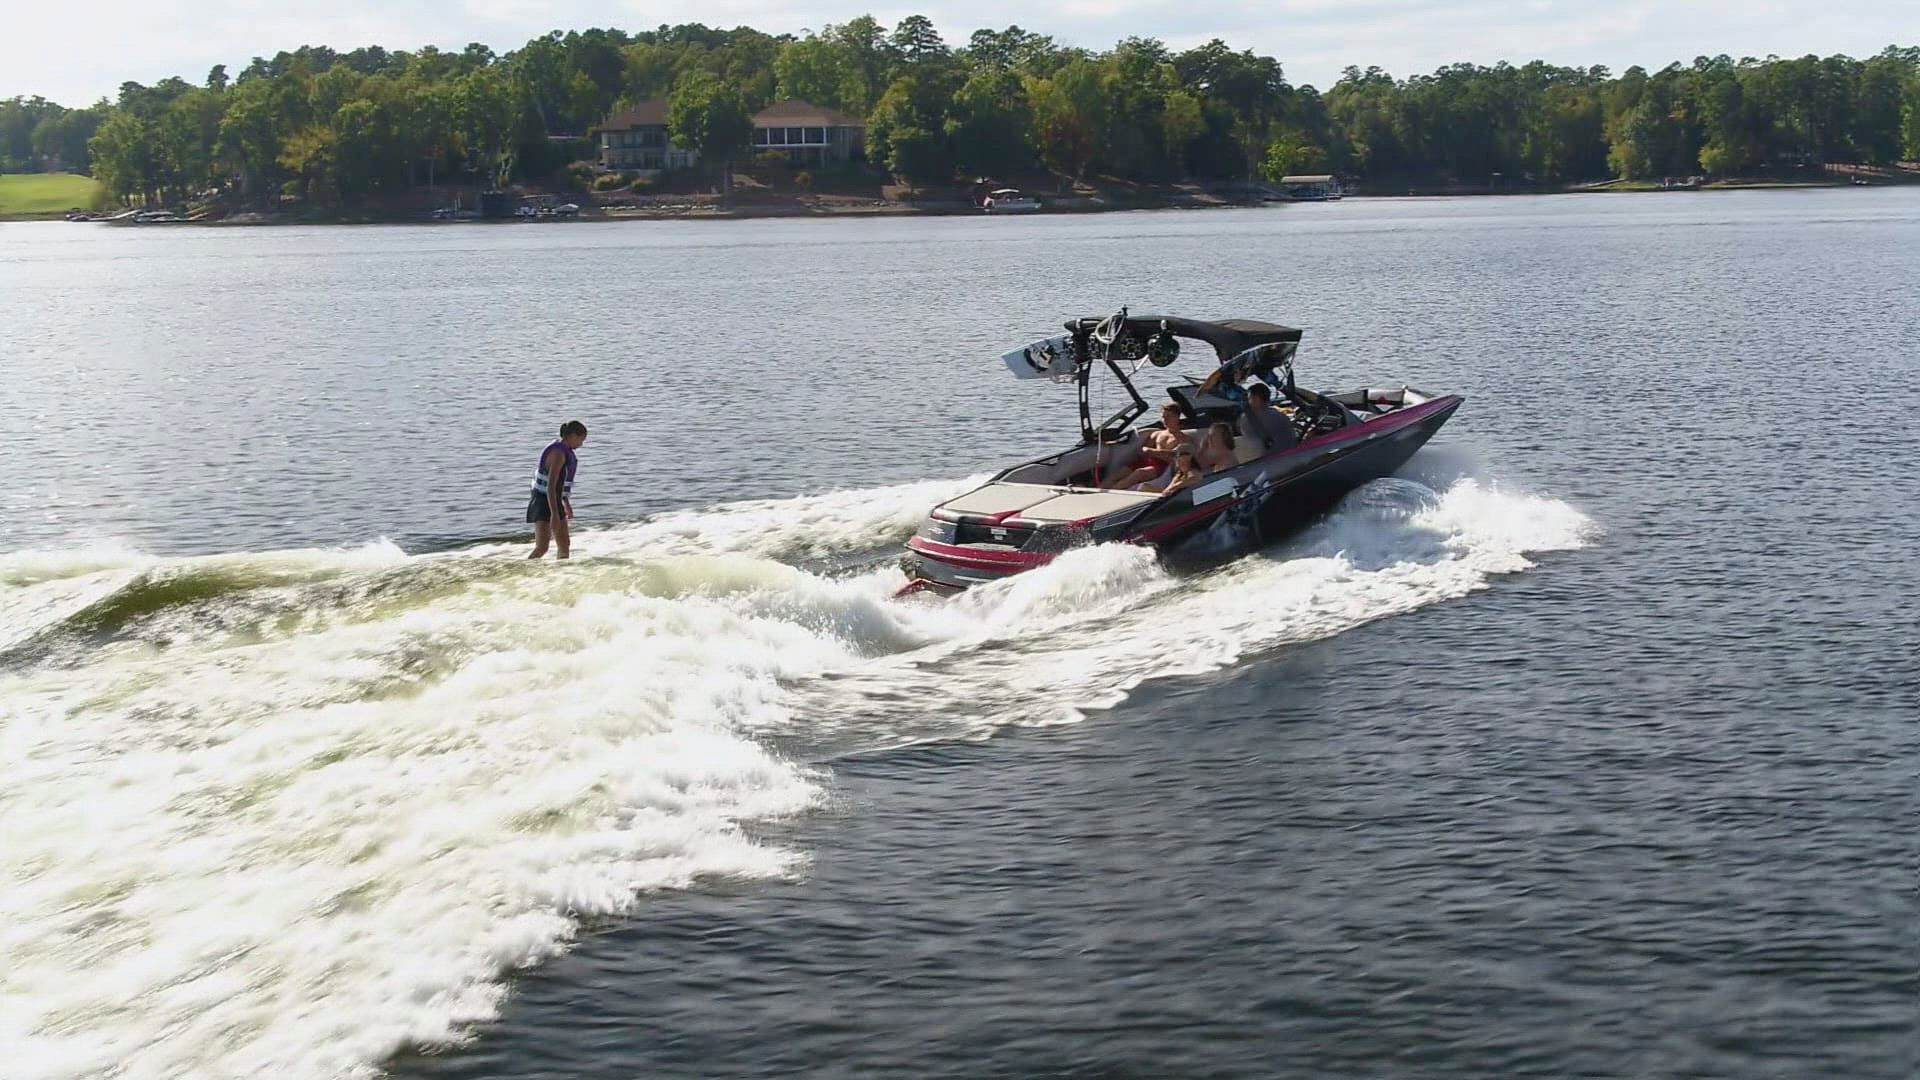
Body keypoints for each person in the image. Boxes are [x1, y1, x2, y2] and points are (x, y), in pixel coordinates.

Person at [528, 420, 587, 559]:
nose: (581, 444)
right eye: (581, 440)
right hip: (543, 501)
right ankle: (524, 572)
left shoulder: (565, 452)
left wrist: (566, 503)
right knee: (542, 547)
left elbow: (562, 483)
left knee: (564, 544)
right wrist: (554, 514)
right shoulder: (558, 454)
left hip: (555, 500)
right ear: (572, 436)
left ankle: (563, 574)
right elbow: (551, 486)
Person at [1104, 403, 1193, 489]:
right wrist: (1154, 452)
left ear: (1177, 417)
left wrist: (1152, 452)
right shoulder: (1156, 434)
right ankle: (1099, 489)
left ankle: (1111, 491)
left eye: (1168, 417)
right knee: (1118, 474)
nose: (1165, 420)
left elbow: (1175, 457)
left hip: (1162, 467)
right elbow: (1144, 450)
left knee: (1139, 473)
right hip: (1146, 462)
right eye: (1163, 417)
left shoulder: (1184, 439)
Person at [1238, 382, 1299, 453]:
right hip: (1289, 454)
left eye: (1249, 399)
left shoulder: (1246, 419)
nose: (1248, 402)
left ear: (1256, 399)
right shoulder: (1281, 416)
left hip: (1267, 458)